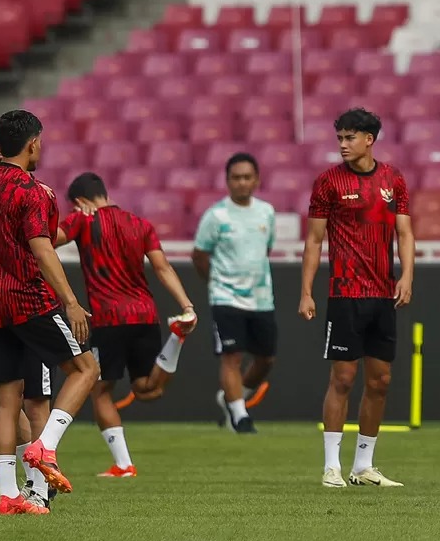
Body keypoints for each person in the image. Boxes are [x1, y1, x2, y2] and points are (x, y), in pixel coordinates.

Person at [0, 110, 101, 516]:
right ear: (33, 143)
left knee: (7, 401)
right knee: (85, 370)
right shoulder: (31, 190)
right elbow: (41, 247)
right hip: (27, 300)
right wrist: (70, 301)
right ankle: (46, 447)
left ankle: (8, 495)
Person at [55, 171, 198, 478]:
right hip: (145, 314)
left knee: (100, 390)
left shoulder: (82, 221)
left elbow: (45, 241)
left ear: (79, 202)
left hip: (109, 319)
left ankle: (123, 464)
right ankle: (175, 340)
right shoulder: (141, 224)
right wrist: (186, 305)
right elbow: (162, 267)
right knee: (147, 389)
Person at [300, 107, 414, 488]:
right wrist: (306, 291)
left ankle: (363, 466)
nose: (343, 145)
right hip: (345, 293)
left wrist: (407, 275)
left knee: (380, 380)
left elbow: (405, 233)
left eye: (350, 138)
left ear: (369, 139)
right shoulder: (328, 182)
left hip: (383, 294)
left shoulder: (393, 179)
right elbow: (314, 240)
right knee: (344, 377)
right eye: (340, 138)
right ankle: (332, 465)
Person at [192, 152, 277, 434]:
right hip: (225, 296)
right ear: (228, 181)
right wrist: (217, 282)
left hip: (261, 297)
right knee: (232, 356)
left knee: (266, 359)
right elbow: (200, 254)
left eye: (247, 177)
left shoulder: (266, 212)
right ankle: (240, 416)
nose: (242, 183)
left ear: (256, 180)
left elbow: (265, 250)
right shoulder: (216, 216)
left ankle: (232, 396)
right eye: (236, 178)